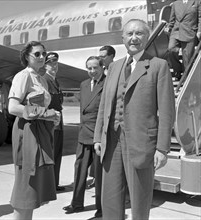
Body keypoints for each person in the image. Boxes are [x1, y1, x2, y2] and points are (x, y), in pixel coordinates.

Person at [94, 19, 175, 220]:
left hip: (141, 143)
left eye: (139, 33)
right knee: (110, 197)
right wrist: (98, 137)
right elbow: (104, 105)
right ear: (123, 38)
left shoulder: (158, 66)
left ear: (147, 37)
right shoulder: (113, 67)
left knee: (140, 199)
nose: (134, 38)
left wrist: (162, 148)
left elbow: (166, 111)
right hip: (111, 141)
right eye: (129, 34)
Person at [8, 41, 60, 220]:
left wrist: (53, 117)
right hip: (27, 133)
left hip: (40, 133)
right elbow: (13, 107)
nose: (41, 57)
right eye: (36, 54)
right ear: (27, 57)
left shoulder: (41, 79)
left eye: (43, 53)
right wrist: (45, 113)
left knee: (32, 192)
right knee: (25, 187)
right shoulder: (23, 76)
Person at [63, 56, 105, 218]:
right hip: (83, 134)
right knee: (79, 170)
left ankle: (101, 208)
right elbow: (82, 111)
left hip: (98, 136)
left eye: (95, 68)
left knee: (99, 175)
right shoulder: (84, 84)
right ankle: (77, 203)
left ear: (102, 67)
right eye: (89, 68)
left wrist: (100, 137)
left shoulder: (107, 83)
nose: (92, 71)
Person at [87, 45, 116, 189]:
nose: (101, 58)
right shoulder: (103, 73)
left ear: (111, 56)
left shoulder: (116, 71)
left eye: (103, 56)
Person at [43, 52, 65, 191]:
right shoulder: (45, 79)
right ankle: (49, 185)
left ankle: (54, 183)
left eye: (55, 63)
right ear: (45, 65)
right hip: (51, 122)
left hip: (58, 121)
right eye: (50, 63)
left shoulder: (54, 80)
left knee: (57, 153)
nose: (54, 66)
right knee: (51, 154)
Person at [164, 0, 201, 80]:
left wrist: (199, 31)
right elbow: (172, 19)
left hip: (189, 31)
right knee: (171, 50)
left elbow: (200, 18)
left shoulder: (197, 2)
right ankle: (177, 71)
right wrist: (169, 28)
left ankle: (186, 77)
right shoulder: (175, 3)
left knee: (187, 57)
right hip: (176, 31)